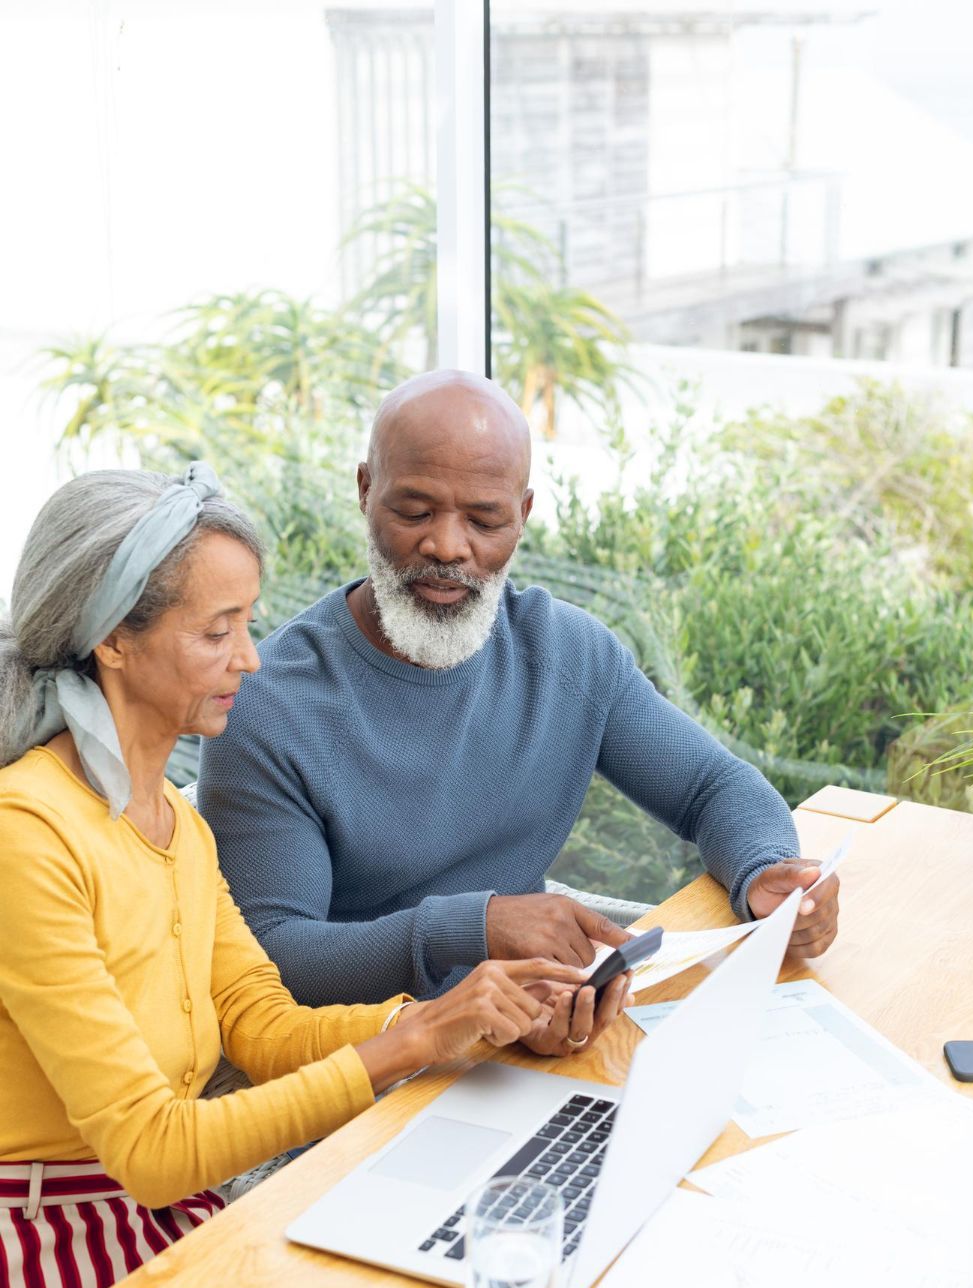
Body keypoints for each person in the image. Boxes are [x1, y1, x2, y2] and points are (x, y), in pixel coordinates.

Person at [0, 464, 607, 1288]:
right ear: (113, 641)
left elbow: (263, 1023)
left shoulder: (176, 822)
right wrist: (408, 1045)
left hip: (164, 1221)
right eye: (218, 631)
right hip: (46, 1248)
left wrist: (442, 1021)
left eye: (248, 623)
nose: (251, 657)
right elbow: (152, 1147)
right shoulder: (30, 837)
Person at [199, 371, 840, 1047]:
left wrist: (767, 871)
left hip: (525, 1039)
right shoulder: (268, 703)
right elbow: (275, 957)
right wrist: (472, 930)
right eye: (414, 511)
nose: (447, 546)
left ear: (524, 514)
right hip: (367, 1071)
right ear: (365, 491)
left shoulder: (567, 654)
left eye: (484, 519)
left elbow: (715, 786)